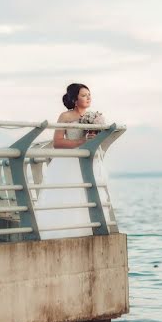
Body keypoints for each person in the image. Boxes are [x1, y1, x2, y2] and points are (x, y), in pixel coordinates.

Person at [35, 83, 100, 239]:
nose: (88, 97)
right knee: (67, 195)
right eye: (84, 95)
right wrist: (82, 142)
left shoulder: (95, 117)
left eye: (89, 94)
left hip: (88, 159)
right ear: (75, 99)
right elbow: (57, 143)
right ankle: (64, 232)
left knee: (88, 195)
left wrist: (93, 139)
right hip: (68, 161)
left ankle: (88, 230)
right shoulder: (65, 116)